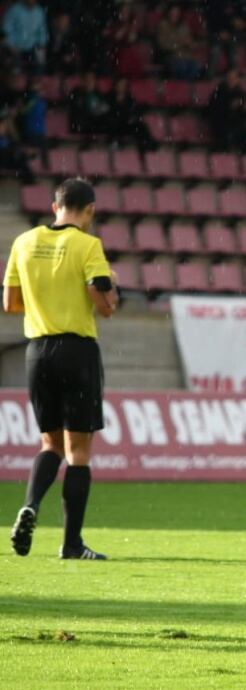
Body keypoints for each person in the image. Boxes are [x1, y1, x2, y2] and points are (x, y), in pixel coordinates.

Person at [6, 178, 118, 561]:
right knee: (79, 452)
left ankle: (31, 504)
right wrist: (111, 289)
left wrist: (45, 305)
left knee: (49, 443)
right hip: (77, 350)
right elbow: (103, 302)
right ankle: (71, 543)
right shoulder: (88, 245)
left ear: (55, 206)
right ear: (89, 211)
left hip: (37, 351)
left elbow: (10, 303)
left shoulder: (23, 243)